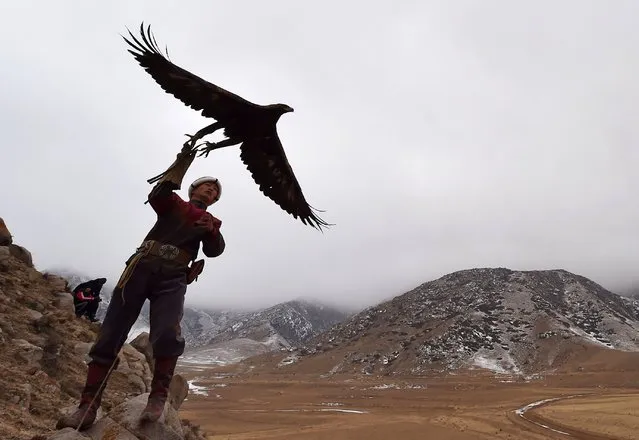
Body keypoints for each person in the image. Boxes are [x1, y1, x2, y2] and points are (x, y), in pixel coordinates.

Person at [56, 149, 226, 430]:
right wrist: (180, 167)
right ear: (193, 189)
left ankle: (158, 396)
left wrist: (212, 232)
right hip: (140, 269)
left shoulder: (212, 222)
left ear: (215, 200)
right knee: (111, 333)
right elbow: (157, 195)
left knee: (168, 334)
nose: (210, 190)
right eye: (206, 186)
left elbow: (215, 250)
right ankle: (87, 407)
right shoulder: (173, 203)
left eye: (215, 191)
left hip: (174, 278)